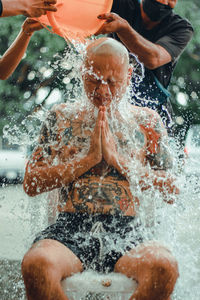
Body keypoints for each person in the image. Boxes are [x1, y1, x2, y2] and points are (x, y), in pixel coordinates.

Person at [21, 37, 179, 300]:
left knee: (164, 267)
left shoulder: (147, 122)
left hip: (126, 230)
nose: (102, 90)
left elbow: (172, 189)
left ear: (128, 75)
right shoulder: (61, 117)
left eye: (112, 81)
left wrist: (121, 163)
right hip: (70, 228)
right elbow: (31, 182)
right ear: (82, 72)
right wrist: (86, 161)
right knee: (36, 265)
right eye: (93, 79)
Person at [96, 0, 194, 130]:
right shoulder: (121, 5)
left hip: (154, 109)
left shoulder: (181, 28)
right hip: (111, 102)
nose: (165, 2)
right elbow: (83, 10)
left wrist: (124, 29)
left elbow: (153, 59)